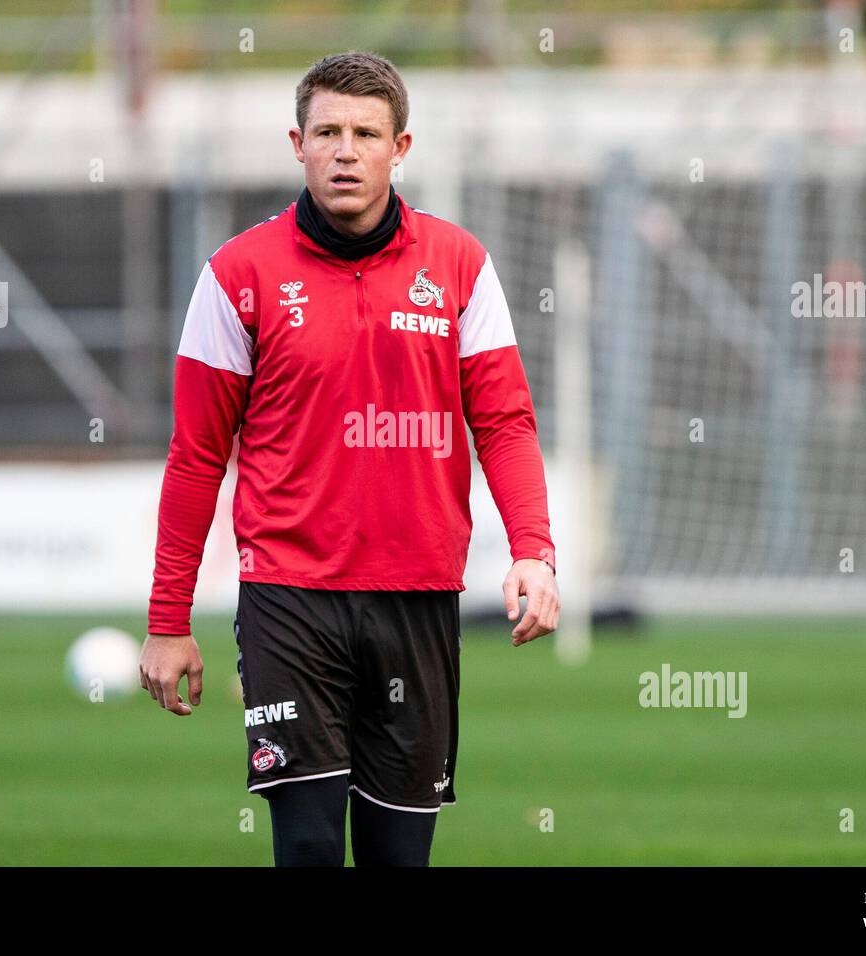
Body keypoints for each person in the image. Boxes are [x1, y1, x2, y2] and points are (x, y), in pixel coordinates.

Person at [140, 50, 559, 866]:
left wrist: (534, 553)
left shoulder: (461, 265)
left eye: (366, 133)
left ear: (400, 149)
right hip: (288, 601)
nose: (345, 150)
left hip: (419, 598)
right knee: (306, 844)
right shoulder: (237, 274)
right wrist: (167, 621)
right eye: (326, 131)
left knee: (399, 856)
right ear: (296, 143)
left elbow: (505, 423)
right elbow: (196, 456)